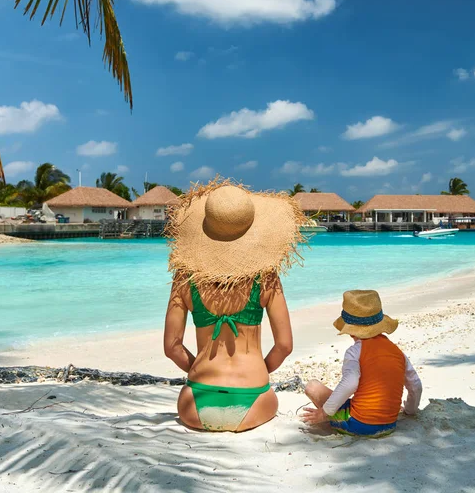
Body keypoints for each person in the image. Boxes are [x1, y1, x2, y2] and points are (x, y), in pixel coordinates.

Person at [163, 179, 305, 432]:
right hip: (254, 397)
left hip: (195, 402)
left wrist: (198, 368)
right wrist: (260, 369)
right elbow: (284, 345)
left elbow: (172, 348)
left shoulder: (184, 278)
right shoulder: (265, 277)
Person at [301, 289, 422, 437]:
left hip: (359, 424)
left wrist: (324, 413)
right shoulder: (397, 352)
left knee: (313, 387)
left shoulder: (354, 352)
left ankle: (332, 421)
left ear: (350, 330)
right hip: (390, 424)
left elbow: (350, 383)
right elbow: (415, 385)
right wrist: (410, 410)